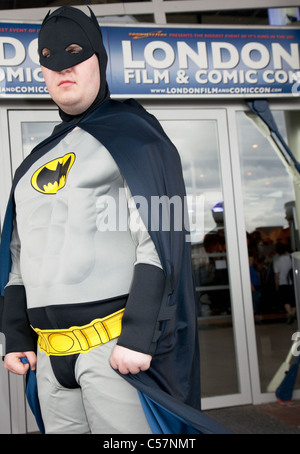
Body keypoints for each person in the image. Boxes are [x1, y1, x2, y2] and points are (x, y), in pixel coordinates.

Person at [0, 6, 229, 434]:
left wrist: (139, 334)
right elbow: (17, 255)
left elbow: (162, 239)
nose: (62, 66)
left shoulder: (137, 136)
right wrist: (16, 335)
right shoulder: (31, 165)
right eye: (49, 57)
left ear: (99, 60)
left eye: (74, 51)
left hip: (113, 350)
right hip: (49, 358)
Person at [273, 242, 296, 324]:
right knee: (293, 300)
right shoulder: (290, 257)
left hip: (282, 283)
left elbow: (276, 275)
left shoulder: (277, 262)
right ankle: (292, 314)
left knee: (285, 300)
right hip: (292, 283)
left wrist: (276, 285)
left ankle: (290, 314)